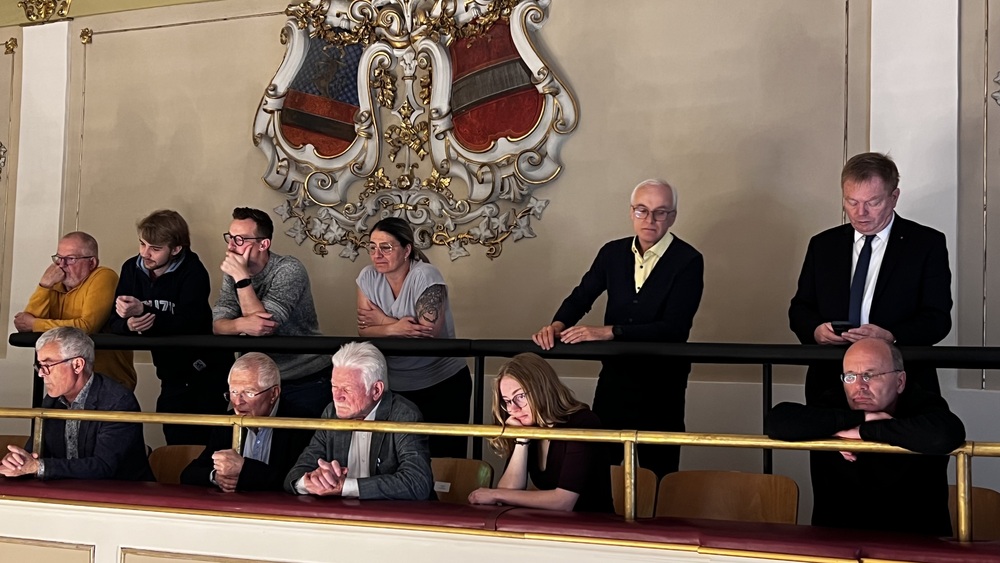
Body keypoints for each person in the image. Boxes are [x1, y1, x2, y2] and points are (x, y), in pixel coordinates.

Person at [531, 179, 704, 478]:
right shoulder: (612, 253)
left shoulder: (688, 260)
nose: (650, 219)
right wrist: (557, 325)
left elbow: (674, 328)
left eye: (660, 212)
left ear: (672, 217)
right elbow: (582, 296)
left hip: (663, 384)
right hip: (616, 377)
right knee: (602, 466)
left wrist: (610, 331)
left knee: (658, 470)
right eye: (642, 210)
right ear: (631, 212)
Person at [789, 152, 953, 405]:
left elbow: (937, 318)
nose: (861, 213)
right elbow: (800, 309)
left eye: (872, 202)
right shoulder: (823, 245)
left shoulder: (926, 244)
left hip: (904, 385)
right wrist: (816, 331)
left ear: (894, 197)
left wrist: (891, 336)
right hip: (830, 382)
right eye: (851, 202)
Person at [766, 338, 965, 536]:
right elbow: (778, 423)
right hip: (837, 540)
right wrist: (861, 418)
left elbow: (944, 435)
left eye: (870, 375)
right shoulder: (835, 401)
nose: (859, 386)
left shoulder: (922, 403)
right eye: (850, 376)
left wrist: (862, 431)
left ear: (900, 381)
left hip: (916, 541)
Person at [109, 210, 233, 445]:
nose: (145, 253)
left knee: (206, 445)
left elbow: (191, 322)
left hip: (206, 370)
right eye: (142, 244)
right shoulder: (130, 269)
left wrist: (144, 311)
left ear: (176, 249)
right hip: (169, 372)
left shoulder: (193, 271)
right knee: (174, 440)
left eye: (155, 248)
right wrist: (128, 324)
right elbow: (113, 321)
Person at [356, 217, 470, 459]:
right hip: (396, 386)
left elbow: (427, 332)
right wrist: (395, 327)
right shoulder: (367, 277)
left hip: (442, 384)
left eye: (386, 247)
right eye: (372, 247)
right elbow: (364, 330)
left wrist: (381, 320)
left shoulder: (425, 274)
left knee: (443, 461)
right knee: (402, 460)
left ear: (407, 250)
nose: (377, 254)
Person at [212, 207, 330, 418]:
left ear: (264, 244)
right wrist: (241, 325)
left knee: (297, 438)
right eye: (230, 237)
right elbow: (218, 324)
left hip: (303, 376)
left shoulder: (289, 269)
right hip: (258, 380)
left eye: (240, 239)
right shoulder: (233, 271)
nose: (231, 246)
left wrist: (242, 279)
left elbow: (264, 327)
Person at [285, 341, 433, 501]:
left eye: (347, 389)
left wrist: (344, 487)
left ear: (376, 390)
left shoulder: (404, 415)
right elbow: (295, 475)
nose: (337, 397)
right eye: (334, 386)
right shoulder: (331, 412)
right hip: (343, 512)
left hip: (391, 514)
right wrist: (310, 482)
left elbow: (417, 483)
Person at [0, 327, 153, 481]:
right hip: (69, 490)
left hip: (121, 492)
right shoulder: (51, 401)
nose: (41, 373)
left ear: (77, 365)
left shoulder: (118, 401)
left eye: (48, 365)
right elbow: (33, 453)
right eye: (39, 366)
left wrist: (38, 467)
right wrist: (18, 462)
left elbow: (103, 467)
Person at [467, 353, 612, 512]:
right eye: (507, 401)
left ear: (542, 389)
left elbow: (563, 502)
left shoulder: (583, 422)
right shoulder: (530, 424)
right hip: (551, 522)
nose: (513, 409)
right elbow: (508, 492)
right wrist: (522, 440)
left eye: (520, 396)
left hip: (593, 523)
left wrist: (494, 494)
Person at [13, 231, 136, 390]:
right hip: (66, 382)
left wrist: (35, 324)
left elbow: (86, 326)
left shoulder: (104, 276)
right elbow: (26, 325)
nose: (61, 265)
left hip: (107, 382)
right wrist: (44, 286)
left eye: (70, 259)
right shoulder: (55, 283)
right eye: (58, 258)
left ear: (91, 263)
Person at [181, 353, 311, 491]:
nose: (238, 402)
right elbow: (188, 475)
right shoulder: (228, 422)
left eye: (249, 392)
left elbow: (296, 482)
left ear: (273, 393)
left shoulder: (301, 423)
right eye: (234, 392)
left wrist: (245, 468)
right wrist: (216, 477)